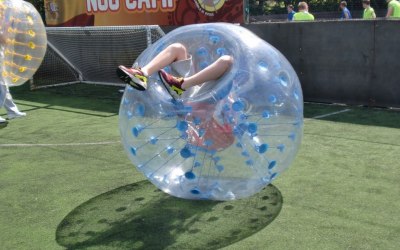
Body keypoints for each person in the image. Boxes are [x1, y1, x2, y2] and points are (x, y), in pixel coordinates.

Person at [117, 43, 233, 99]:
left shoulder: (231, 91)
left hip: (197, 98)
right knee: (178, 48)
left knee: (227, 61)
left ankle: (181, 85)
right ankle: (142, 74)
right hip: (188, 87)